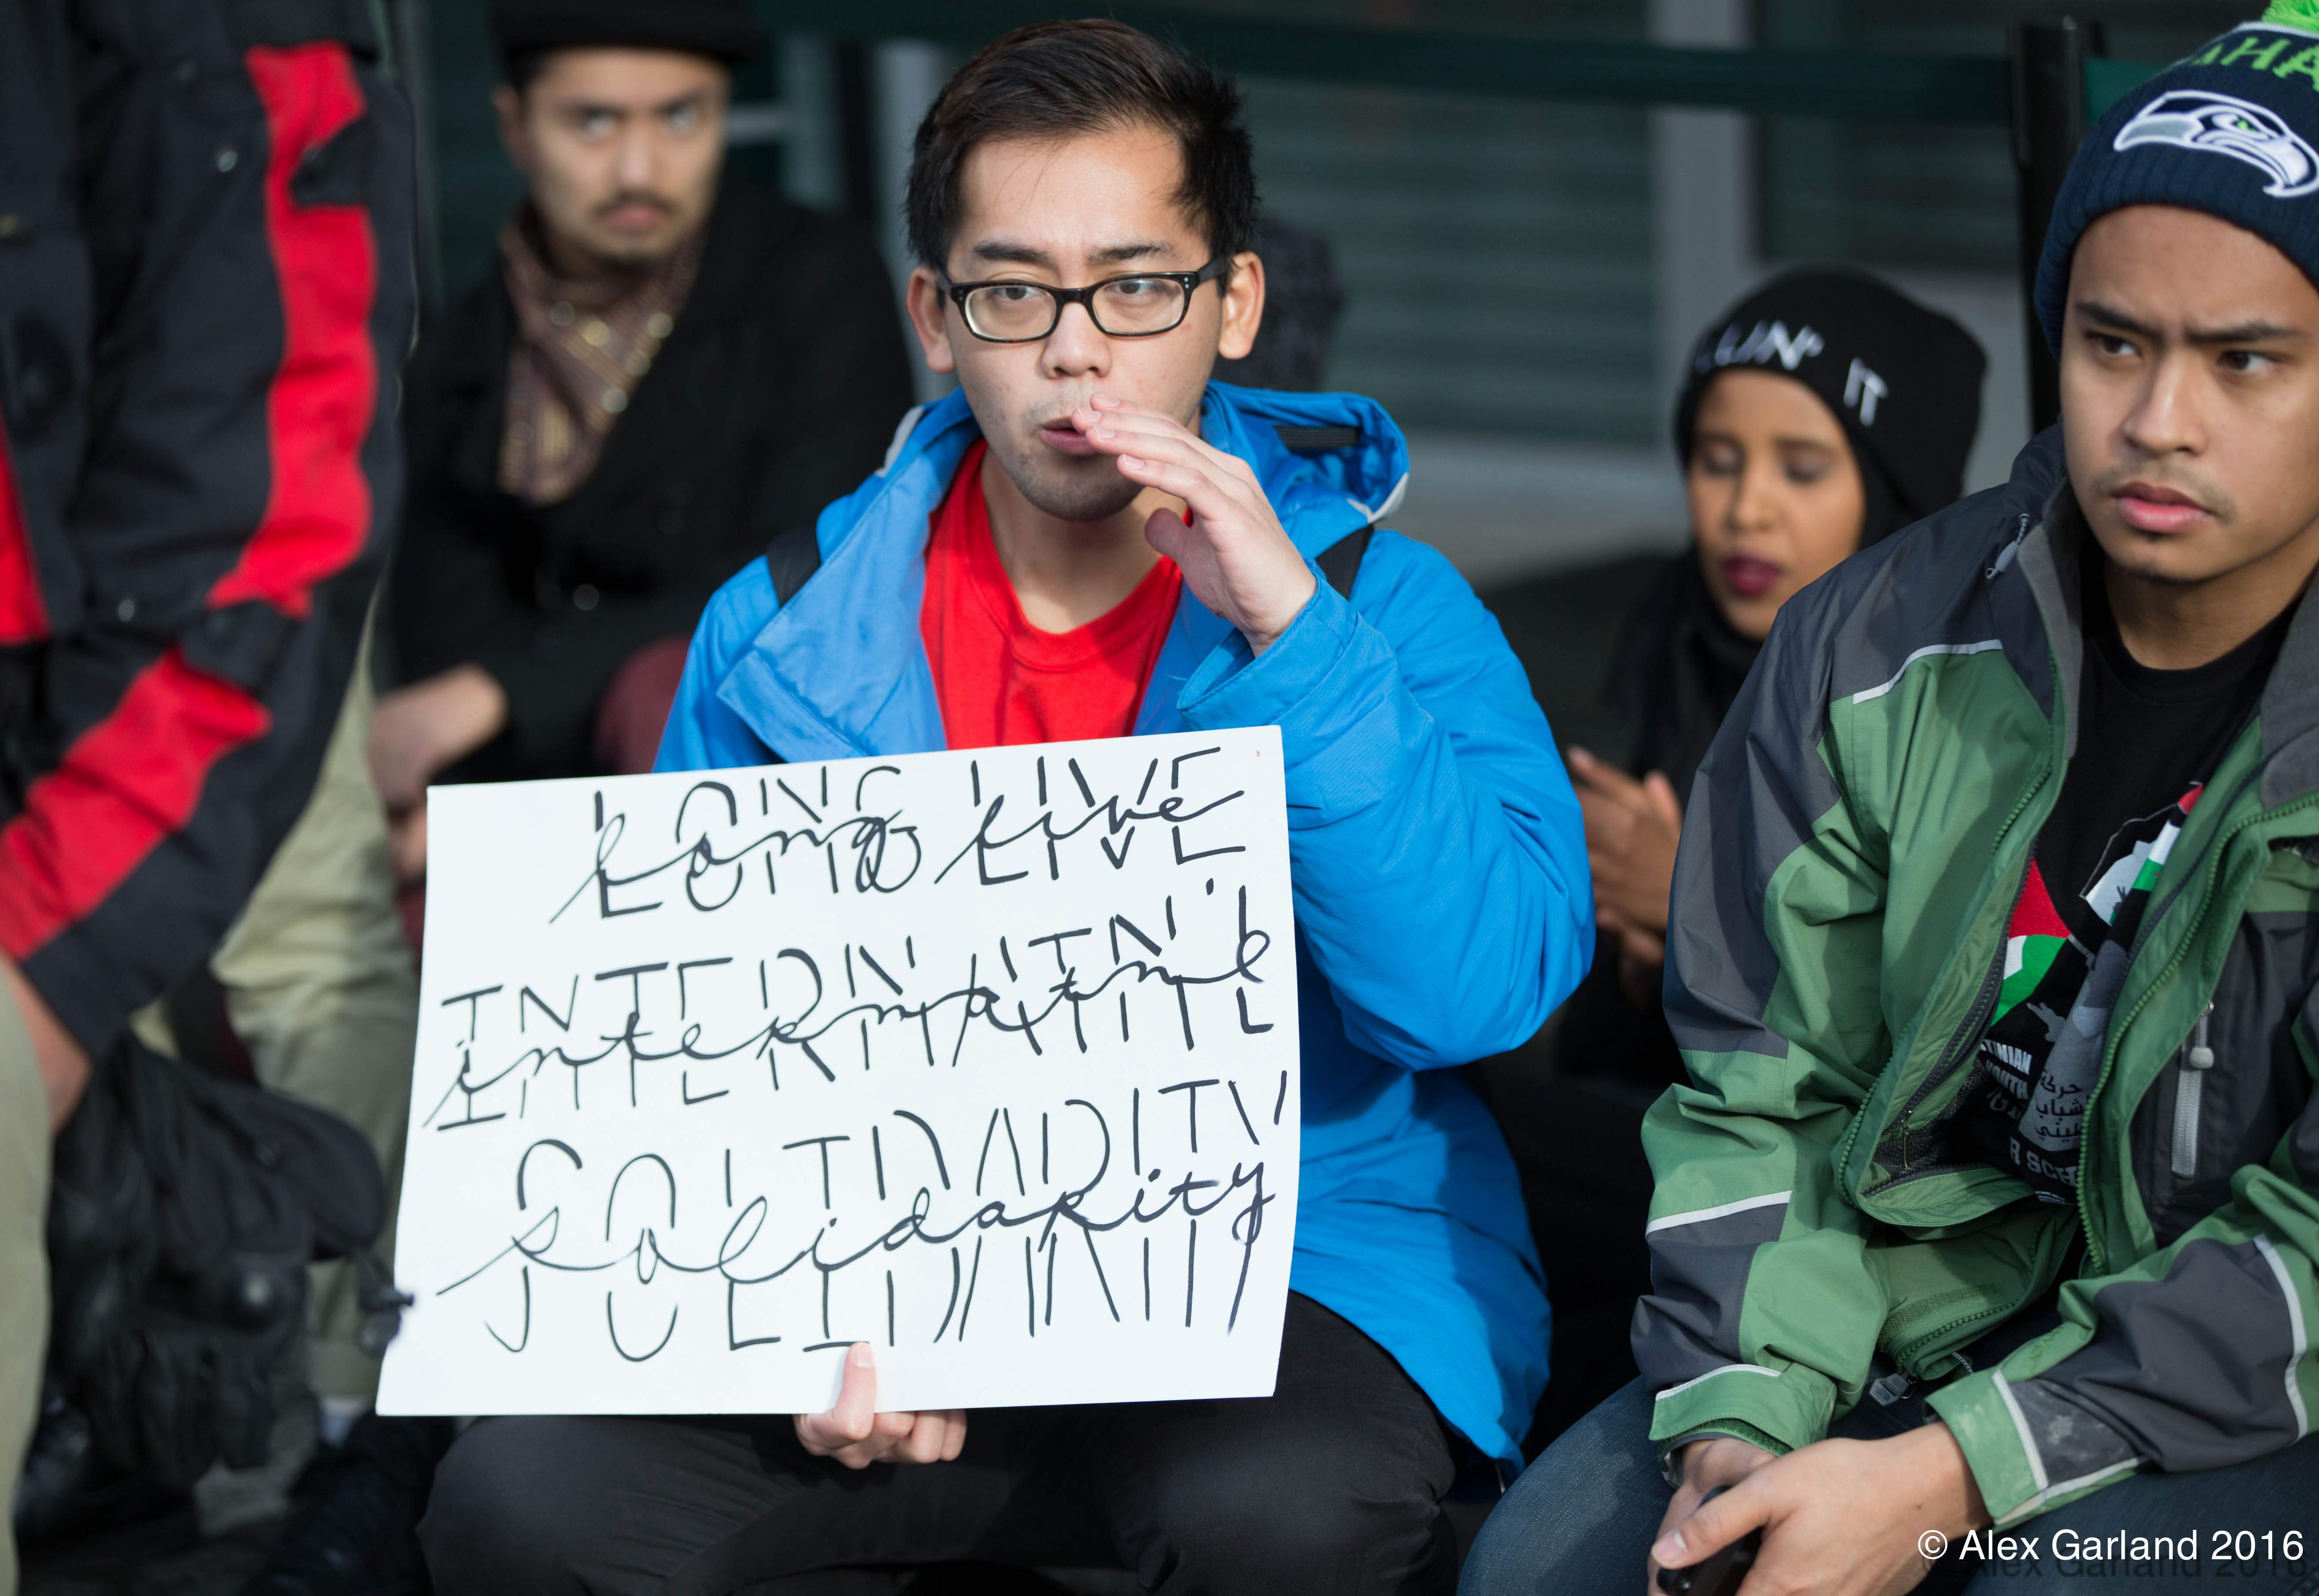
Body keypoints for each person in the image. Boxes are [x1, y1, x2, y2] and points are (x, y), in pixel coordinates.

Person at [419, 20, 1593, 1595]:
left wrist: (1295, 638)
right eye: (1013, 292)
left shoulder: (1383, 603)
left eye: (1138, 287)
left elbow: (1477, 997)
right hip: (872, 1282)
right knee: (519, 1502)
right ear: (935, 317)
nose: (1076, 350)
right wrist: (804, 1307)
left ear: (1234, 303)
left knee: (1280, 1511)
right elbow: (701, 1073)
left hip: (1292, 1259)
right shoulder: (778, 626)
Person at [1465, 7, 2319, 1592]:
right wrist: (1742, 1415)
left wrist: (1950, 1478)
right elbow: (1757, 1088)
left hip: (2248, 1386)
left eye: (2245, 359)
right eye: (2113, 343)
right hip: (1901, 1304)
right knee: (1553, 1570)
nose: (2159, 418)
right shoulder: (1873, 640)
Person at [0, 1, 414, 1589]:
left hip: (29, 799)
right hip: (42, 773)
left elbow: (283, 415)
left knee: (307, 947)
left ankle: (349, 1417)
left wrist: (32, 970)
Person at [377, 0, 912, 882]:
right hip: (538, 792)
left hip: (762, 807)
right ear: (515, 128)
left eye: (679, 117)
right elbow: (442, 643)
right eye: (592, 122)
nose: (638, 169)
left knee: (668, 684)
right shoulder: (463, 356)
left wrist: (503, 689)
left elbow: (816, 567)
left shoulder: (811, 283)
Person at [1559, 270, 1985, 1092]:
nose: (1746, 509)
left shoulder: (1968, 710)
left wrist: (1694, 903)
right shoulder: (1672, 650)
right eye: (1718, 461)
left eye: (1802, 469)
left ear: (1895, 498)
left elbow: (1941, 1048)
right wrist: (1650, 967)